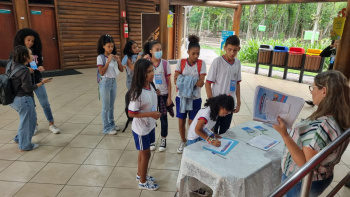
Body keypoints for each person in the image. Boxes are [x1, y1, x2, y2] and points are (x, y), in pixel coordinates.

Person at [273, 70, 350, 197]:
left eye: (313, 88)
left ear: (324, 91)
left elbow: (306, 164)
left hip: (301, 182)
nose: (311, 92)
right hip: (323, 176)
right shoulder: (342, 116)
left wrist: (285, 134)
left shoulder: (322, 126)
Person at [174, 94, 235, 197]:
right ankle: (179, 190)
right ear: (220, 106)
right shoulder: (207, 113)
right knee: (191, 167)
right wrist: (211, 141)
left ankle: (194, 187)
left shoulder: (215, 112)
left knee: (199, 166)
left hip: (201, 137)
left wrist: (213, 134)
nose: (225, 115)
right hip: (194, 139)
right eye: (225, 112)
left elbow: (206, 127)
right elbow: (197, 130)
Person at [0, 46, 52, 151]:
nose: (32, 56)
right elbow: (28, 88)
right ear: (24, 56)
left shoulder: (10, 62)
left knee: (27, 120)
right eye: (30, 54)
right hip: (23, 100)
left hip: (13, 99)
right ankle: (25, 146)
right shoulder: (24, 70)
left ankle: (19, 139)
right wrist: (42, 82)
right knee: (28, 121)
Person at [13, 28, 60, 134]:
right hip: (25, 84)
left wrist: (39, 67)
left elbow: (35, 64)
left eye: (32, 41)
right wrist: (26, 69)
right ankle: (34, 125)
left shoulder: (35, 51)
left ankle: (51, 124)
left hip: (38, 80)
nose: (30, 43)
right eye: (28, 40)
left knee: (45, 103)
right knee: (31, 105)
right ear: (22, 39)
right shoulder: (18, 52)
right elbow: (15, 67)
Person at [128, 58, 161, 190]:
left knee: (144, 153)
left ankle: (140, 174)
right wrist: (150, 114)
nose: (152, 73)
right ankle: (142, 182)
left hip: (149, 126)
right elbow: (131, 113)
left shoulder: (151, 86)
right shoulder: (137, 92)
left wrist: (156, 93)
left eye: (152, 70)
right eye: (148, 72)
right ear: (141, 74)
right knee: (146, 154)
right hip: (141, 130)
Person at [174, 35, 206, 154]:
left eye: (198, 53)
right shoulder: (181, 62)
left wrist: (183, 79)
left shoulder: (201, 64)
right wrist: (192, 81)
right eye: (193, 53)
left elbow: (201, 83)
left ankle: (191, 142)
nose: (196, 56)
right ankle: (183, 141)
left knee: (192, 123)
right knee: (181, 121)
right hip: (181, 97)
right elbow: (175, 80)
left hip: (195, 98)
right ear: (188, 52)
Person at [205, 35, 242, 135]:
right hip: (217, 105)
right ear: (225, 48)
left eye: (235, 50)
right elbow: (208, 83)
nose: (232, 53)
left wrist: (238, 102)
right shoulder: (217, 62)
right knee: (213, 131)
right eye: (229, 49)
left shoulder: (237, 63)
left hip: (229, 105)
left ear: (239, 49)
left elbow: (237, 84)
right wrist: (211, 102)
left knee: (225, 132)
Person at [143, 41, 172, 152]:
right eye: (157, 50)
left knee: (163, 118)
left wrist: (169, 97)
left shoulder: (165, 63)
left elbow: (169, 81)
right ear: (151, 51)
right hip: (150, 96)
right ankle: (152, 140)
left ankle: (163, 139)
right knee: (151, 117)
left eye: (160, 49)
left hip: (163, 95)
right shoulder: (146, 63)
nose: (160, 52)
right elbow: (141, 77)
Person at [97, 34, 123, 135]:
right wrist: (108, 61)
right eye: (108, 46)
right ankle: (106, 127)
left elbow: (121, 70)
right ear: (103, 46)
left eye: (112, 46)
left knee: (111, 106)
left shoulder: (113, 56)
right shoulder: (100, 57)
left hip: (113, 82)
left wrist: (119, 61)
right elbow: (102, 72)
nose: (111, 48)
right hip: (105, 83)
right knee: (105, 107)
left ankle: (112, 123)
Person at [305, 40, 339, 107]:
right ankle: (317, 101)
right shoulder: (333, 51)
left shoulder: (343, 53)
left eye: (338, 42)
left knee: (330, 88)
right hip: (330, 70)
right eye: (335, 42)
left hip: (337, 73)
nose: (336, 44)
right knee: (323, 86)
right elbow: (322, 54)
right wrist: (330, 46)